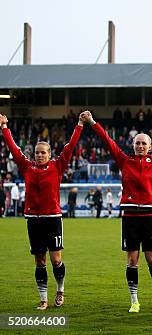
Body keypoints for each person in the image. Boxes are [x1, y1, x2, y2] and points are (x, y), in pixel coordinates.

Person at [83, 110, 152, 313]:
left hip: (150, 216)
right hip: (130, 217)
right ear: (133, 146)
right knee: (132, 259)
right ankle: (134, 299)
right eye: (138, 143)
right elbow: (107, 141)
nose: (141, 146)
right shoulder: (125, 161)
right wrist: (91, 122)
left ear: (150, 147)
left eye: (144, 143)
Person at [0, 112, 84, 310]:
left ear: (49, 154)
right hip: (33, 220)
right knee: (39, 261)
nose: (39, 155)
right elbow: (14, 149)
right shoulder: (27, 167)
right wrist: (4, 127)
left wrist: (79, 124)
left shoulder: (57, 166)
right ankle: (44, 299)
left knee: (56, 260)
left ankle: (60, 290)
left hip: (53, 219)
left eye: (43, 152)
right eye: (37, 152)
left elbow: (70, 146)